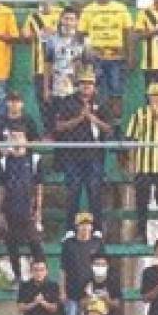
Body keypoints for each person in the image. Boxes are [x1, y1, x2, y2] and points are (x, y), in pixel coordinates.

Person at [51, 68, 111, 230]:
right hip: (73, 154)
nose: (86, 86)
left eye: (89, 83)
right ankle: (70, 229)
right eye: (83, 83)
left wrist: (92, 118)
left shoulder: (101, 102)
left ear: (94, 86)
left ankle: (97, 230)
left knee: (95, 193)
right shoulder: (68, 102)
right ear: (78, 85)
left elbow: (109, 129)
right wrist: (79, 119)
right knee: (73, 192)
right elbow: (59, 126)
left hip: (94, 155)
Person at [124, 83, 158, 243]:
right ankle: (141, 233)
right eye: (153, 96)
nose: (156, 99)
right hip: (143, 162)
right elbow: (132, 139)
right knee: (142, 200)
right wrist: (132, 164)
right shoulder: (139, 114)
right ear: (148, 97)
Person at [78, 0, 133, 122]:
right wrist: (88, 54)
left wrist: (129, 55)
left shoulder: (120, 8)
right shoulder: (88, 10)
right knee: (97, 92)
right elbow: (81, 35)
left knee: (116, 92)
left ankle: (116, 124)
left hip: (116, 57)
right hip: (96, 57)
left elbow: (128, 32)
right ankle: (99, 122)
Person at [0, 129, 45, 282]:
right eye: (12, 136)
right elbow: (1, 188)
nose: (16, 139)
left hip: (28, 209)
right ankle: (17, 277)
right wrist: (0, 212)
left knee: (35, 243)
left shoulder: (34, 159)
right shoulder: (3, 162)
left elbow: (39, 187)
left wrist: (38, 210)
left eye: (19, 136)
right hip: (11, 208)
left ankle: (41, 275)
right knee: (12, 244)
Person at [59, 212, 103, 315]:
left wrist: (95, 286)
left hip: (90, 293)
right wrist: (62, 290)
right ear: (77, 227)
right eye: (82, 225)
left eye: (88, 225)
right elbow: (63, 269)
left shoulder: (97, 244)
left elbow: (102, 268)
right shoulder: (69, 244)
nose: (85, 228)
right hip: (72, 292)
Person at [23, 0, 61, 107]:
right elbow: (25, 36)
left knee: (60, 101)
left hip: (60, 66)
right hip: (39, 67)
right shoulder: (33, 17)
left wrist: (56, 31)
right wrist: (38, 34)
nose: (46, 3)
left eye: (49, 0)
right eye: (43, 0)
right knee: (43, 102)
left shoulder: (61, 13)